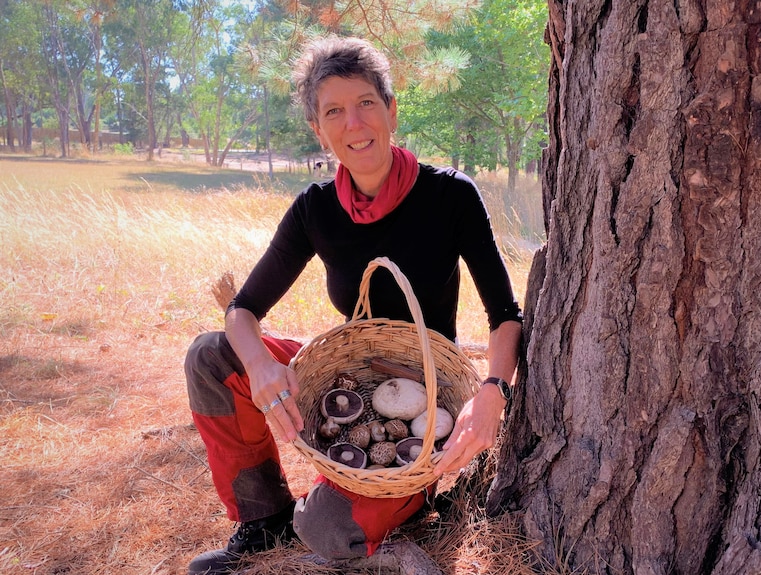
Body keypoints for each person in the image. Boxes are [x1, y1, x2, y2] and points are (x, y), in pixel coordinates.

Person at [184, 36, 523, 575]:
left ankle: (409, 499)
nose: (354, 123)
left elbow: (506, 314)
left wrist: (492, 393)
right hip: (352, 374)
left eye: (366, 103)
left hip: (426, 401)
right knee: (210, 355)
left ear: (391, 110)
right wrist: (260, 366)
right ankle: (262, 518)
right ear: (319, 129)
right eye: (334, 111)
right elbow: (242, 310)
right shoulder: (315, 209)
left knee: (324, 529)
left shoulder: (449, 195)